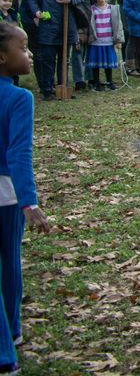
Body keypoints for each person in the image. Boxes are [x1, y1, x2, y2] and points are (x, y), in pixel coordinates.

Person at [0, 22, 52, 374]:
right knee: (9, 261)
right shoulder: (19, 98)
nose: (30, 54)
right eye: (24, 48)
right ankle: (7, 349)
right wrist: (29, 202)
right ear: (3, 57)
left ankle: (13, 331)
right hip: (7, 195)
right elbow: (19, 154)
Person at [22, 0, 86, 100]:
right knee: (48, 57)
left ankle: (63, 86)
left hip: (66, 20)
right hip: (48, 20)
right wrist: (36, 11)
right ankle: (47, 89)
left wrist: (70, 0)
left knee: (64, 58)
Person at [86, 0, 122, 90]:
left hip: (109, 40)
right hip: (96, 41)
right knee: (96, 63)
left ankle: (109, 81)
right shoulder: (91, 10)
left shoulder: (113, 9)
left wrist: (118, 40)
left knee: (108, 63)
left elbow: (118, 25)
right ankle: (97, 83)